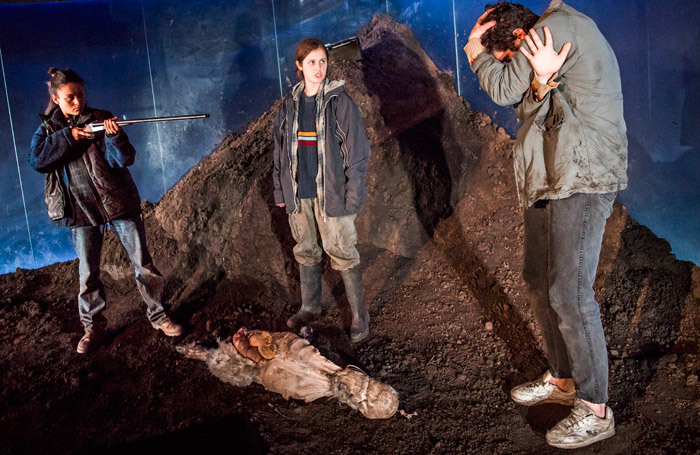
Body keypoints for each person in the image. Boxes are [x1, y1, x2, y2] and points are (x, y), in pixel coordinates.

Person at [464, 0, 628, 449]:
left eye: (507, 59)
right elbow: (525, 109)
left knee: (570, 292)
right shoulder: (548, 38)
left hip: (583, 173)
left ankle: (596, 409)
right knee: (539, 279)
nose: (504, 66)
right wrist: (536, 83)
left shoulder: (551, 29)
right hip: (555, 174)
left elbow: (500, 92)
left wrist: (475, 49)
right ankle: (564, 379)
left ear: (518, 40)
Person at [29, 68, 183, 354]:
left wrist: (114, 136)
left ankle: (159, 316)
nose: (78, 102)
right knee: (88, 275)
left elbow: (125, 159)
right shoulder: (48, 131)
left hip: (118, 202)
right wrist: (70, 136)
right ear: (56, 98)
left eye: (81, 95)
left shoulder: (102, 117)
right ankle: (92, 328)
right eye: (70, 97)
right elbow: (37, 160)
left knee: (143, 265)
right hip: (80, 210)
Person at [272, 38, 371, 342]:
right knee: (305, 249)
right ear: (299, 66)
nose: (318, 68)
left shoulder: (339, 102)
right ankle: (310, 305)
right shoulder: (288, 105)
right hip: (299, 192)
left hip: (331, 193)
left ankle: (359, 315)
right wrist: (281, 192)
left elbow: (357, 152)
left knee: (342, 250)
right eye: (311, 62)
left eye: (323, 61)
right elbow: (278, 153)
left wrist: (352, 195)